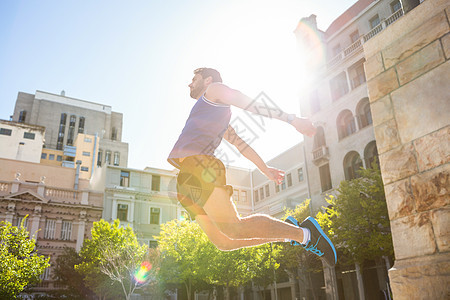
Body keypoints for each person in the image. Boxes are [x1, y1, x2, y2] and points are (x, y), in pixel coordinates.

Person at [168, 67, 337, 266]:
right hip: (185, 179)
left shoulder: (214, 89)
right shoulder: (212, 115)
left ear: (208, 80)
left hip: (200, 168)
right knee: (224, 242)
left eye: (194, 78)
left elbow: (248, 103)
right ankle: (291, 233)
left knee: (234, 228)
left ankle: (307, 235)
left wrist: (292, 119)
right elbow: (241, 144)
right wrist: (265, 169)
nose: (190, 83)